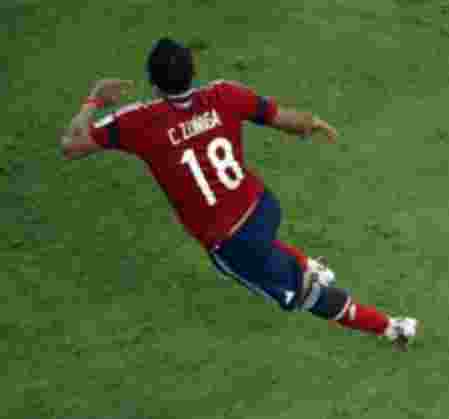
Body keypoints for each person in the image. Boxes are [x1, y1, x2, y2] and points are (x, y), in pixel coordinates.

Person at [59, 38, 417, 347]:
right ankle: (307, 265)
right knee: (259, 237)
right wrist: (314, 123)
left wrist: (93, 101)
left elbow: (73, 145)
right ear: (193, 70)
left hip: (231, 240)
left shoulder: (137, 121)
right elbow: (286, 119)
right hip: (262, 205)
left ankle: (391, 327)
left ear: (152, 82)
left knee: (307, 297)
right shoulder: (224, 94)